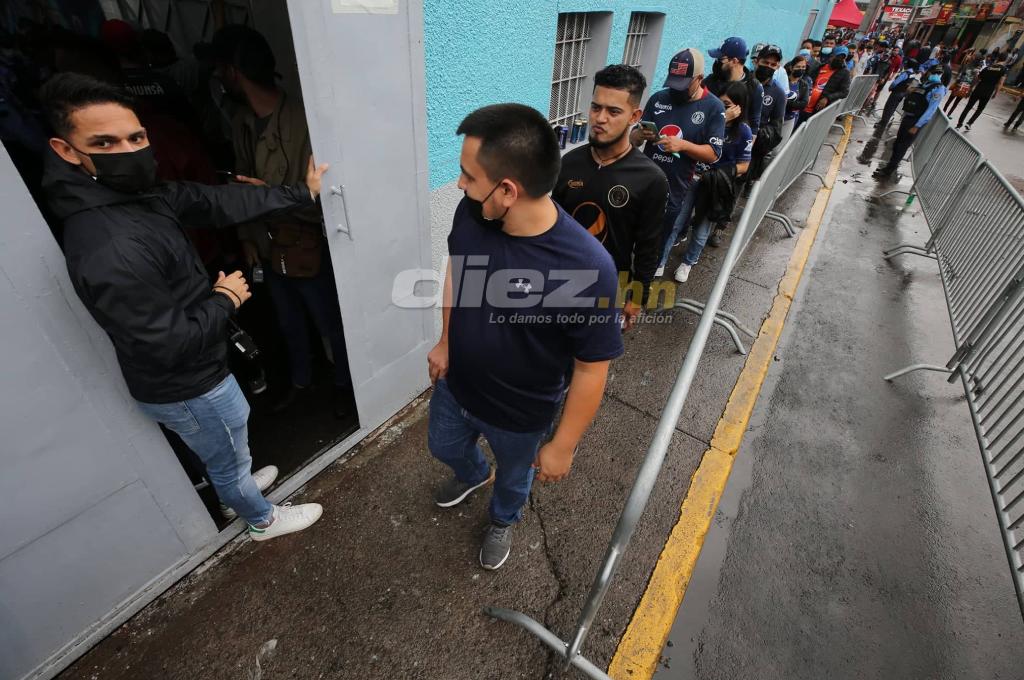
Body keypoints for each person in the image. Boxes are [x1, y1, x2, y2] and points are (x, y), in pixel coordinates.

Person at [39, 72, 326, 540]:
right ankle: (261, 518)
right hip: (188, 383)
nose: (129, 151)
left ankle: (236, 488)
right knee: (225, 449)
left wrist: (299, 192)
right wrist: (225, 299)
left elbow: (210, 201)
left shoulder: (131, 196)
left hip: (194, 375)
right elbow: (168, 345)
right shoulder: (109, 245)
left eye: (136, 136)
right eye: (105, 143)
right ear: (67, 150)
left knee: (226, 451)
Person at [426, 103, 624, 570]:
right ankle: (474, 473)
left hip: (521, 413)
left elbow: (592, 367)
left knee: (515, 480)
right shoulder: (472, 213)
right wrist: (446, 341)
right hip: (458, 386)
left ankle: (502, 519)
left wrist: (563, 444)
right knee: (443, 446)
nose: (460, 186)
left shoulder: (588, 268)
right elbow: (458, 275)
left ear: (509, 190)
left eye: (468, 176)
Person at [211, 26, 353, 415]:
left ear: (234, 72)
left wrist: (268, 193)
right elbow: (239, 187)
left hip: (304, 240)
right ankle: (302, 383)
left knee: (328, 322)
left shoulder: (303, 121)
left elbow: (322, 196)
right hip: (267, 245)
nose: (220, 78)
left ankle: (346, 388)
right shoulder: (241, 121)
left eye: (223, 69)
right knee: (288, 323)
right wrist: (248, 237)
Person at [552, 65, 669, 327]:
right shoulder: (567, 164)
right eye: (596, 107)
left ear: (634, 115)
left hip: (607, 294)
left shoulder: (651, 179)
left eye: (613, 111)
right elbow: (551, 226)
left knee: (590, 366)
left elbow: (648, 247)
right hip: (558, 287)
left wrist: (637, 297)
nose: (600, 118)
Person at [630, 48, 724, 282]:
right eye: (673, 83)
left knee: (657, 242)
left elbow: (714, 154)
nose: (675, 90)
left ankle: (643, 284)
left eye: (682, 84)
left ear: (699, 79)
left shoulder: (713, 107)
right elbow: (633, 138)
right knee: (632, 235)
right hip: (642, 183)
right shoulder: (659, 98)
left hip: (674, 189)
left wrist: (683, 145)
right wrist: (640, 136)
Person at [697, 82, 753, 255]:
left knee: (701, 230)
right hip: (695, 178)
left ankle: (690, 260)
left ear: (739, 107)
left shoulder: (744, 132)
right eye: (719, 103)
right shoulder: (707, 120)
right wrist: (721, 120)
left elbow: (744, 166)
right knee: (680, 222)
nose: (722, 109)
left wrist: (720, 174)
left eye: (726, 105)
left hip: (716, 185)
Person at [873, 63, 947, 178]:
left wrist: (917, 125)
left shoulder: (939, 89)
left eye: (938, 73)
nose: (935, 75)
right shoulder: (925, 84)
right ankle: (890, 166)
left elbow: (930, 110)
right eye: (934, 73)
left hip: (916, 121)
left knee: (902, 146)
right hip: (908, 117)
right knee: (898, 143)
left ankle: (888, 171)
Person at [744, 44, 787, 192]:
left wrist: (760, 134)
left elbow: (777, 127)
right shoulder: (743, 82)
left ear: (778, 67)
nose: (768, 67)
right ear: (757, 61)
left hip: (753, 151)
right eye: (765, 62)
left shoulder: (778, 93)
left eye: (773, 64)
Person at [705, 36, 764, 139]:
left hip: (735, 146)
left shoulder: (754, 87)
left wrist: (746, 150)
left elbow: (754, 125)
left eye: (721, 59)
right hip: (707, 141)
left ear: (734, 61)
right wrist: (723, 118)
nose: (717, 61)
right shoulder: (710, 82)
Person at [799, 44, 851, 126]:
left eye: (843, 57)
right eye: (838, 56)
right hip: (804, 105)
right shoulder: (820, 67)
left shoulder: (845, 73)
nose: (840, 59)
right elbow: (808, 81)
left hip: (817, 110)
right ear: (831, 56)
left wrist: (827, 98)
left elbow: (844, 92)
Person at [957, 55, 1008, 131]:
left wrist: (970, 89)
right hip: (988, 92)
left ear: (997, 59)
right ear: (1005, 60)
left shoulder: (987, 68)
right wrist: (996, 93)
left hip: (978, 89)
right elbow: (1000, 83)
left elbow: (977, 79)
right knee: (980, 109)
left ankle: (959, 125)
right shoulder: (1003, 70)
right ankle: (969, 123)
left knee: (968, 107)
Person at [874, 58, 919, 134]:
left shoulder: (905, 73)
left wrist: (891, 87)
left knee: (889, 107)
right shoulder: (912, 74)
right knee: (892, 107)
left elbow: (896, 82)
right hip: (902, 93)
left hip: (896, 92)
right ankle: (884, 122)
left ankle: (882, 123)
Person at [783, 56, 811, 140]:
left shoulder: (804, 84)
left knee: (779, 149)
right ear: (791, 68)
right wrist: (794, 104)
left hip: (791, 119)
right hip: (777, 118)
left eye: (803, 67)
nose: (801, 69)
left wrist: (786, 103)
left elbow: (804, 103)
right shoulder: (784, 80)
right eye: (798, 67)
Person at [944, 51, 980, 116]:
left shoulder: (967, 65)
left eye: (973, 55)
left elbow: (960, 76)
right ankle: (949, 114)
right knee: (956, 103)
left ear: (974, 58)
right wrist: (970, 90)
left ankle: (944, 111)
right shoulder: (976, 70)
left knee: (950, 99)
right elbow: (974, 81)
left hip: (959, 84)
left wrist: (957, 82)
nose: (971, 56)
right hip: (966, 87)